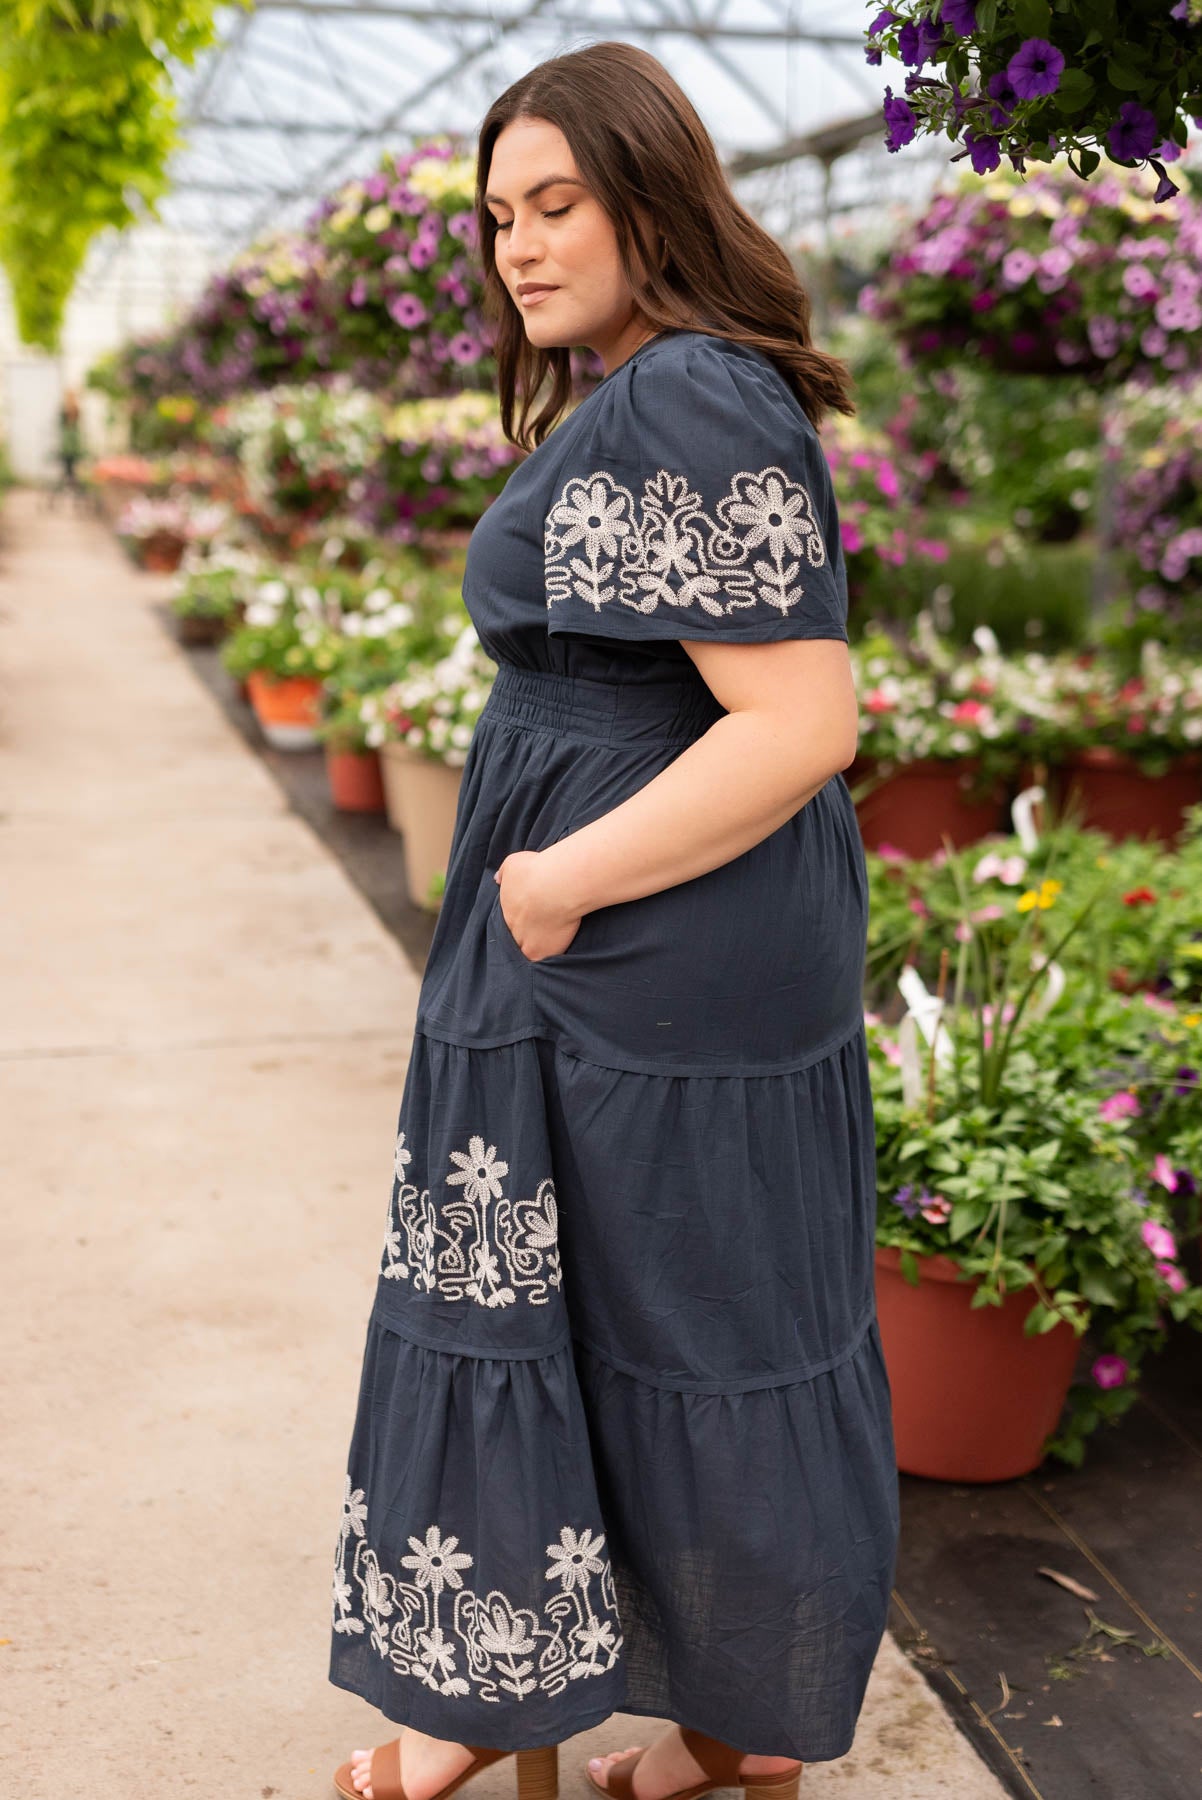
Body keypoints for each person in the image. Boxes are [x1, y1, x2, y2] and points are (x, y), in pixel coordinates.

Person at [329, 40, 899, 1800]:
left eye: (555, 202)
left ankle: (502, 1710)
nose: (515, 243)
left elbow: (803, 721)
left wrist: (557, 881)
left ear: (653, 191)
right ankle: (720, 1732)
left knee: (653, 1315)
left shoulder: (686, 395)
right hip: (639, 936)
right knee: (680, 1313)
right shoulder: (645, 387)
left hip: (636, 943)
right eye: (498, 213)